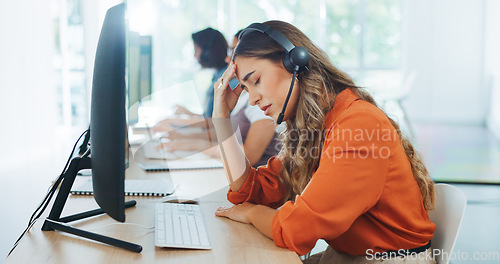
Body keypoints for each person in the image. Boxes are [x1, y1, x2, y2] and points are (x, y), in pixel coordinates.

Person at [212, 21, 436, 263]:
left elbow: (296, 229)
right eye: (245, 89)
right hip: (347, 256)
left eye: (255, 80)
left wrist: (253, 213)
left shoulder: (357, 124)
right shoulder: (316, 125)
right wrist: (221, 119)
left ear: (294, 62)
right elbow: (253, 191)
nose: (253, 99)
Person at [158, 30, 281, 167]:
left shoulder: (262, 101)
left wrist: (194, 144)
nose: (227, 59)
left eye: (234, 52)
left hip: (257, 178)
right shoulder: (246, 96)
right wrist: (182, 137)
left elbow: (248, 156)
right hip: (246, 174)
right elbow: (221, 131)